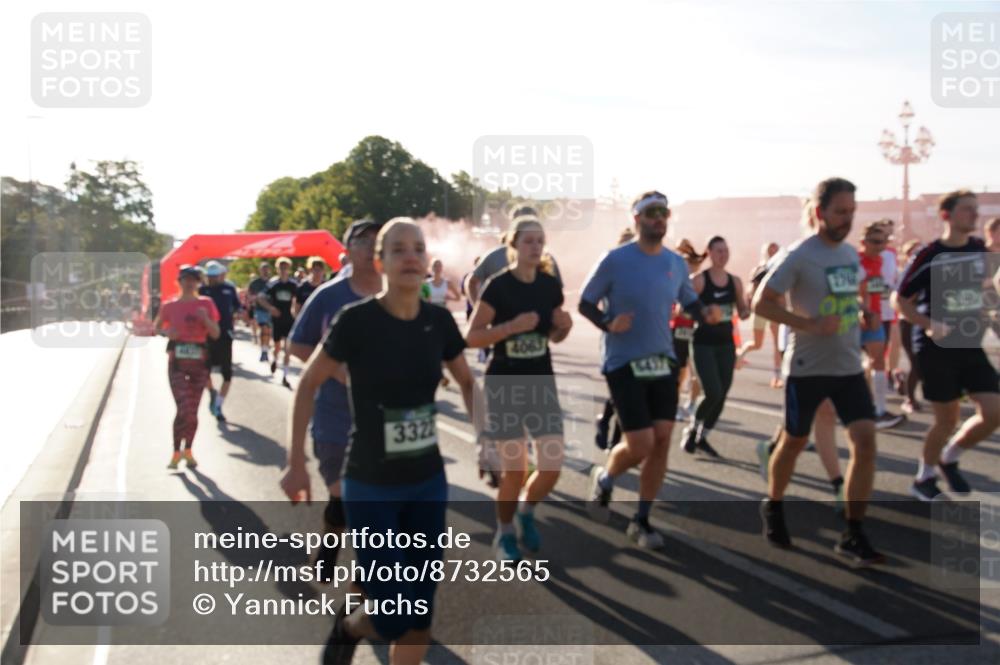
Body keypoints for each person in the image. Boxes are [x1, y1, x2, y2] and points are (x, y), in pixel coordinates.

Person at [281, 218, 478, 665]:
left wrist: (487, 439)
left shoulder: (439, 321)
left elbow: (467, 382)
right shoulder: (356, 321)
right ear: (381, 261)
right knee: (390, 615)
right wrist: (295, 462)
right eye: (398, 249)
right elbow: (308, 383)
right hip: (371, 483)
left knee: (420, 617)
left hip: (427, 481)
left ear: (426, 262)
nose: (410, 256)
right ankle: (349, 627)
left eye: (417, 249)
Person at [753, 177, 883, 566]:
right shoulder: (798, 255)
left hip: (846, 366)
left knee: (866, 441)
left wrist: (863, 312)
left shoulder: (847, 254)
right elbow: (762, 303)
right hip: (807, 367)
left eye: (852, 212)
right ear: (819, 212)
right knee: (793, 442)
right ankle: (774, 505)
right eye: (840, 212)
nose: (847, 219)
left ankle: (853, 531)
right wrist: (808, 325)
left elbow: (852, 291)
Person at [580, 191, 720, 548]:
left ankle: (641, 520)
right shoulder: (614, 260)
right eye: (651, 212)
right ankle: (606, 477)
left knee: (661, 442)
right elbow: (585, 302)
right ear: (637, 218)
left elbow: (688, 297)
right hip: (623, 361)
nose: (659, 218)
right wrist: (609, 324)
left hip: (662, 360)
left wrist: (705, 313)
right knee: (640, 443)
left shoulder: (673, 262)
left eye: (663, 212)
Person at [466, 213, 572, 562]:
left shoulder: (549, 285)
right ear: (512, 245)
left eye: (540, 241)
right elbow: (472, 336)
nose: (536, 247)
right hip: (505, 383)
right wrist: (509, 327)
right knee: (515, 469)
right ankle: (505, 532)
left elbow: (554, 336)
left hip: (541, 381)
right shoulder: (498, 285)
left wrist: (563, 326)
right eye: (528, 240)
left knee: (552, 466)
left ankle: (526, 510)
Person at [286, 220, 383, 580]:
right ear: (347, 249)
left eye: (377, 239)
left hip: (384, 422)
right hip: (335, 419)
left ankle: (362, 593)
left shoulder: (399, 294)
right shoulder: (328, 296)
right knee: (347, 498)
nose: (371, 246)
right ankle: (333, 540)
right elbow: (298, 345)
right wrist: (335, 368)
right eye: (363, 240)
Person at [894, 190, 1000, 501]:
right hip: (935, 349)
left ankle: (949, 457)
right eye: (968, 210)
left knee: (994, 412)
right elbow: (899, 300)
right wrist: (930, 325)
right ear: (947, 216)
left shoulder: (980, 249)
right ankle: (923, 477)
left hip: (969, 345)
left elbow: (985, 292)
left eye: (975, 210)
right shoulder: (929, 255)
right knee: (946, 420)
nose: (974, 215)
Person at [681, 236, 751, 457]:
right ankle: (692, 428)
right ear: (709, 253)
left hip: (726, 344)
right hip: (703, 343)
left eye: (726, 250)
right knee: (713, 391)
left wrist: (749, 308)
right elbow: (681, 309)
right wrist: (705, 312)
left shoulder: (735, 282)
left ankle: (702, 436)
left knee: (723, 394)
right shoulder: (699, 280)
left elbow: (742, 310)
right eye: (718, 251)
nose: (723, 255)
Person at [154, 265, 220, 470]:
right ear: (179, 281)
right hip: (177, 363)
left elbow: (216, 333)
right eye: (186, 279)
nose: (190, 283)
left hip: (199, 362)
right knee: (183, 407)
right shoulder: (169, 306)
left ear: (198, 283)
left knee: (192, 410)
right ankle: (176, 451)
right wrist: (167, 333)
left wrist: (205, 319)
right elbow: (156, 328)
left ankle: (188, 450)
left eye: (194, 279)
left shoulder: (206, 304)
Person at [858, 222, 906, 429]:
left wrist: (874, 310)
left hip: (876, 318)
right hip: (853, 321)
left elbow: (874, 290)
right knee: (848, 367)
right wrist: (863, 311)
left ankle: (878, 410)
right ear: (863, 242)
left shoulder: (879, 260)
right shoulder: (854, 261)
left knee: (878, 361)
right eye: (876, 242)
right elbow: (853, 291)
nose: (881, 246)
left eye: (884, 241)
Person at [595, 227, 638, 449]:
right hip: (615, 341)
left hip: (641, 343)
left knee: (629, 396)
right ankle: (604, 422)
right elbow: (591, 301)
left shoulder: (646, 270)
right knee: (620, 393)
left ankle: (615, 442)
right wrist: (610, 323)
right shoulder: (610, 268)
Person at [199, 261, 242, 422]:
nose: (212, 279)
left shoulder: (229, 289)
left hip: (225, 336)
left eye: (215, 276)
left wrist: (239, 313)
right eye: (209, 276)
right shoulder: (202, 291)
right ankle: (211, 391)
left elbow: (238, 306)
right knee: (204, 372)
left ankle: (218, 405)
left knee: (227, 374)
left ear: (220, 275)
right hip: (205, 336)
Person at [737, 242, 784, 389]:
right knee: (757, 344)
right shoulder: (759, 269)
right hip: (760, 310)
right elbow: (750, 290)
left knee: (778, 343)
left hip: (774, 310)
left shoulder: (782, 270)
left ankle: (776, 376)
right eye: (770, 250)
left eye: (775, 249)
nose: (773, 252)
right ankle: (740, 354)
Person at [672, 239, 707, 421]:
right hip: (679, 328)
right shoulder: (673, 268)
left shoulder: (694, 268)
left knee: (697, 371)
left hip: (695, 328)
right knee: (680, 370)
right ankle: (676, 404)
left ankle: (692, 404)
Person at [258, 257, 298, 388]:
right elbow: (260, 297)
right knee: (277, 346)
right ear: (277, 269)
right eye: (281, 267)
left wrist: (296, 311)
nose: (283, 270)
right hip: (277, 320)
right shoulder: (273, 284)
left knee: (288, 348)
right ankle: (275, 359)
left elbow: (300, 299)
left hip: (290, 320)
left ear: (289, 269)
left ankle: (285, 376)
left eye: (286, 267)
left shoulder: (294, 284)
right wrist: (270, 308)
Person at [898, 239, 925, 414]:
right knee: (916, 362)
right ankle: (910, 399)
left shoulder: (927, 272)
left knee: (924, 362)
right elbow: (901, 299)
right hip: (907, 323)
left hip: (924, 322)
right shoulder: (905, 275)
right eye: (915, 253)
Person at [247, 262, 273, 360]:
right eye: (263, 269)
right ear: (260, 270)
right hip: (259, 310)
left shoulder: (272, 282)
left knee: (269, 331)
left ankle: (266, 347)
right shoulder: (255, 283)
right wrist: (256, 298)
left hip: (271, 310)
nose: (265, 271)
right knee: (264, 329)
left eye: (267, 269)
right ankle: (264, 351)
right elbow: (249, 296)